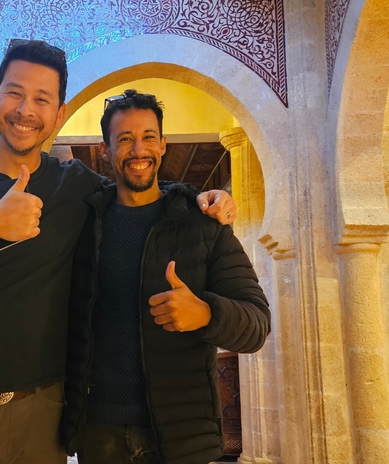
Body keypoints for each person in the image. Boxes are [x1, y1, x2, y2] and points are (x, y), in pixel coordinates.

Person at [0, 40, 238, 464]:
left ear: (59, 114)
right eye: (14, 93)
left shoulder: (76, 185)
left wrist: (203, 198)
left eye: (41, 99)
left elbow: (140, 188)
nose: (25, 110)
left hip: (41, 412)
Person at [60, 90, 271, 464]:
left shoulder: (202, 225)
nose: (138, 149)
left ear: (163, 145)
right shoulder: (83, 223)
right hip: (98, 435)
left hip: (181, 438)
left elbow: (257, 324)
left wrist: (206, 313)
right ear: (106, 150)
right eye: (124, 139)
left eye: (148, 137)